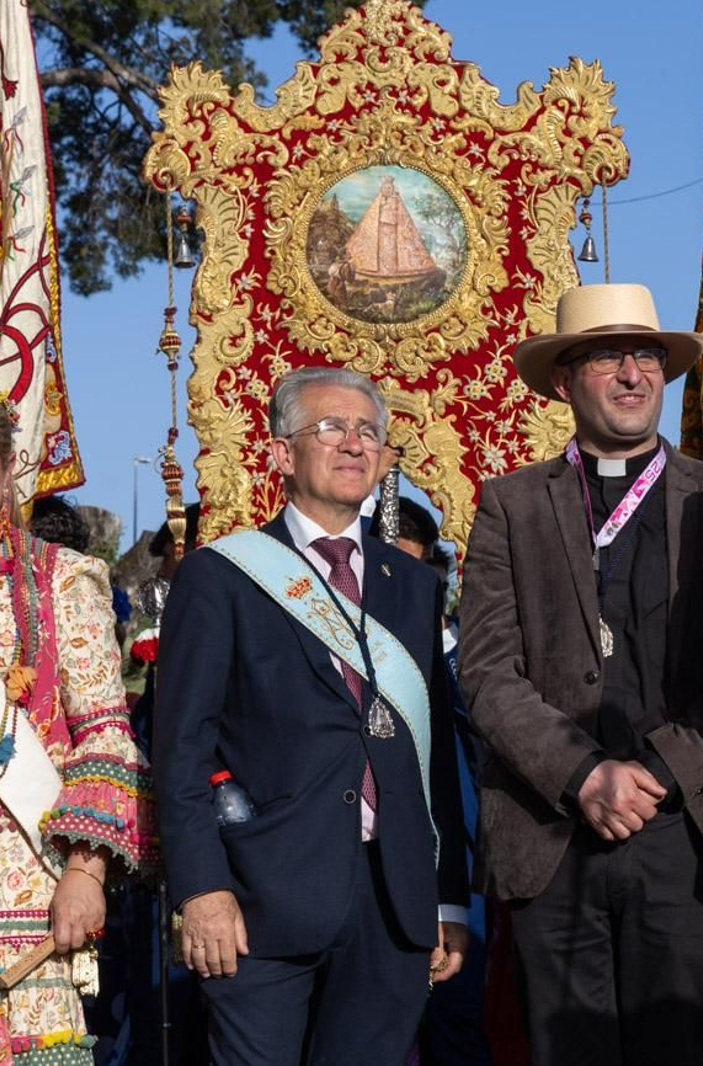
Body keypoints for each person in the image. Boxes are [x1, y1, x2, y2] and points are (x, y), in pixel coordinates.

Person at [460, 283, 703, 1065]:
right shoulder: (511, 505)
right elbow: (487, 672)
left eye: (647, 357)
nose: (633, 374)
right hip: (554, 829)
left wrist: (660, 769)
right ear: (565, 380)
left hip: (683, 827)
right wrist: (585, 773)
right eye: (608, 357)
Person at [155, 367, 471, 1063]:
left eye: (368, 432)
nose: (354, 443)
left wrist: (448, 897)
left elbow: (432, 752)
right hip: (259, 898)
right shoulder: (222, 575)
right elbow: (181, 750)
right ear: (281, 453)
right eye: (330, 427)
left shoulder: (410, 584)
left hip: (394, 900)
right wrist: (201, 888)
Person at [0, 381, 154, 1061]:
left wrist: (86, 873)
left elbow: (105, 734)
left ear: (8, 467)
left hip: (19, 887)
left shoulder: (59, 580)